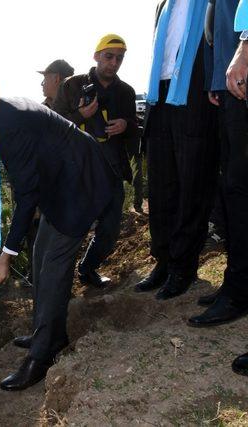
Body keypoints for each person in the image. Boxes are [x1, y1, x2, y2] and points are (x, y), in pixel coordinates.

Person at [0, 81, 115, 391]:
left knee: (53, 268)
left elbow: (26, 194)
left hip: (79, 184)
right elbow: (28, 181)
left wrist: (6, 255)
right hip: (58, 184)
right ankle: (47, 330)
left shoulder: (6, 124)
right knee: (40, 258)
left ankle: (43, 356)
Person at [135, 0, 219, 300]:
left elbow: (219, 39)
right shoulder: (162, 6)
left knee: (192, 185)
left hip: (196, 96)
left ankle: (183, 267)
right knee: (161, 187)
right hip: (160, 97)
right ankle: (163, 260)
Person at [189, 0, 248, 376]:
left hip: (241, 79)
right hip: (231, 90)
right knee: (235, 194)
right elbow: (219, 27)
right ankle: (239, 286)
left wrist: (246, 43)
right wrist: (216, 81)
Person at [53, 34, 136, 288]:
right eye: (108, 57)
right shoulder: (72, 86)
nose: (113, 63)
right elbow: (53, 123)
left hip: (111, 169)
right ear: (96, 56)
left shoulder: (126, 92)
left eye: (119, 59)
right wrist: (80, 115)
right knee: (70, 229)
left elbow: (135, 127)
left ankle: (88, 269)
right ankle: (59, 280)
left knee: (110, 229)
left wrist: (126, 125)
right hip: (77, 171)